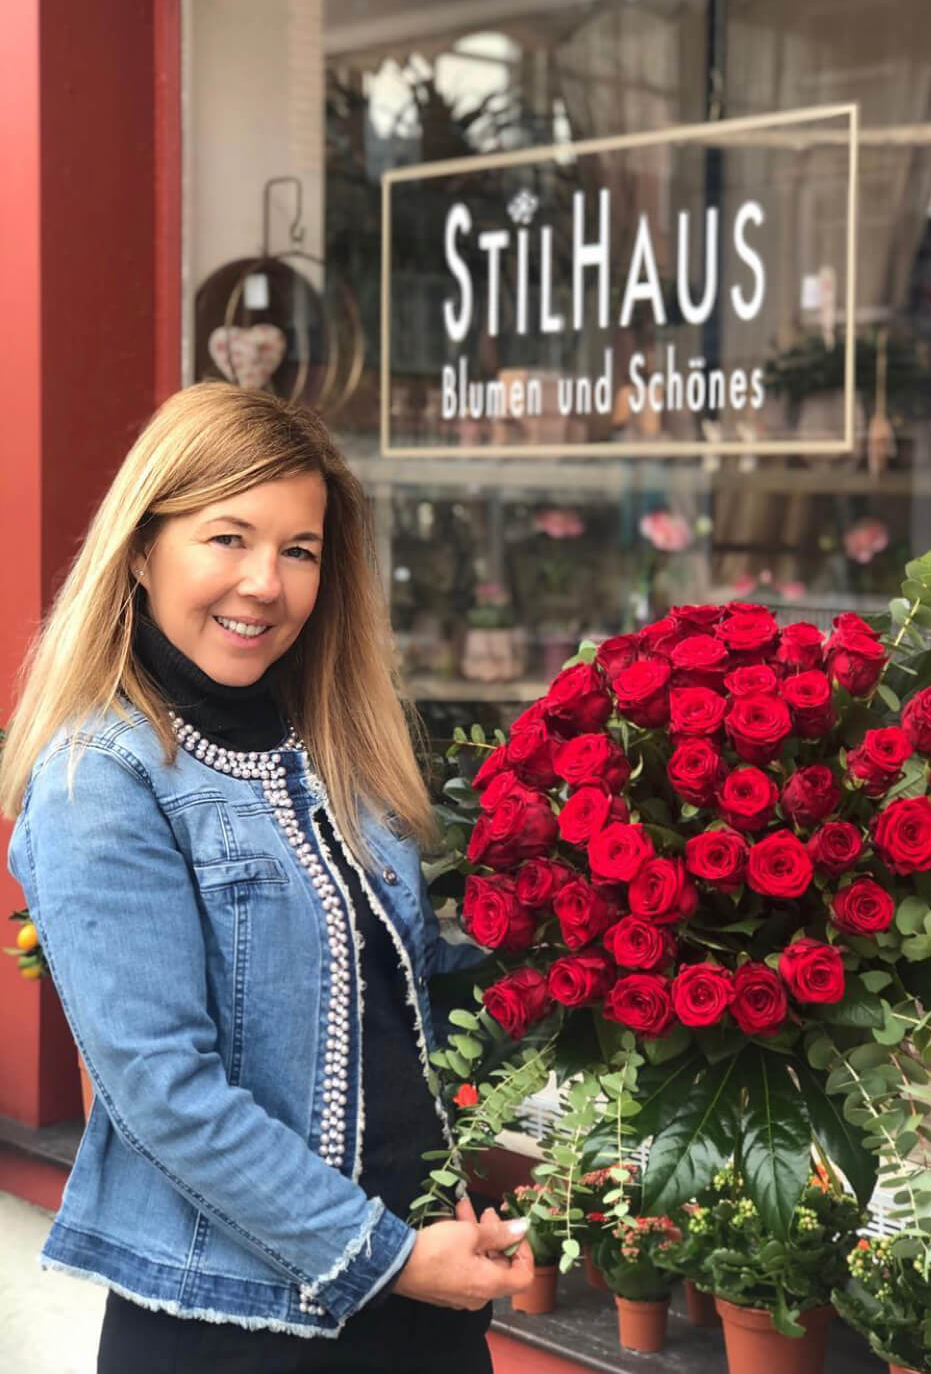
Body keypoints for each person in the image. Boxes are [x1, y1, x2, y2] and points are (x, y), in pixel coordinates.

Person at [1, 383, 533, 1373]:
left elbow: (412, 997)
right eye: (229, 538)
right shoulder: (101, 776)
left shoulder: (335, 750)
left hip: (422, 1295)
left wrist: (608, 951)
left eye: (300, 550)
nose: (265, 582)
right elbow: (166, 1094)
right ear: (143, 546)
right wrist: (392, 1257)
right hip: (239, 1328)